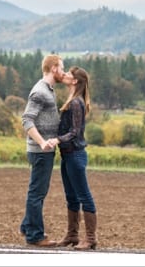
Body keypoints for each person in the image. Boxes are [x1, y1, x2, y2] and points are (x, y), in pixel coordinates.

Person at [19, 54, 69, 247]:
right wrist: (41, 142)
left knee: (38, 191)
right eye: (62, 68)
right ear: (54, 68)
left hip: (44, 151)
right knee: (37, 193)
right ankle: (35, 235)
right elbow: (26, 120)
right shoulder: (40, 92)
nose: (63, 72)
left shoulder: (48, 89)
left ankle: (27, 226)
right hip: (40, 151)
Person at [47, 66, 98, 250]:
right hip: (67, 156)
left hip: (75, 156)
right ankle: (72, 235)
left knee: (84, 196)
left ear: (75, 81)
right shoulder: (73, 99)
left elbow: (75, 133)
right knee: (71, 197)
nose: (65, 75)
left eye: (68, 74)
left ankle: (91, 238)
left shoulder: (76, 103)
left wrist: (56, 140)